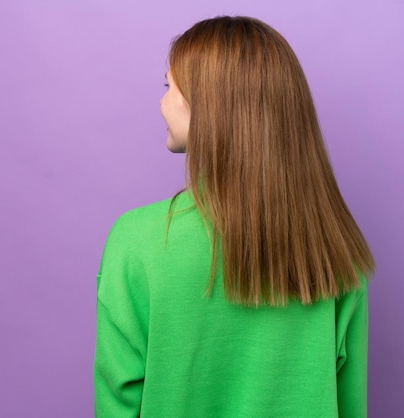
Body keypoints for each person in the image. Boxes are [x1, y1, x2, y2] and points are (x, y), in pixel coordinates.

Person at [94, 16, 374, 418]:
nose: (161, 102)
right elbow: (349, 406)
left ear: (208, 101)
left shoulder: (137, 240)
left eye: (168, 86)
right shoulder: (335, 246)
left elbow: (118, 402)